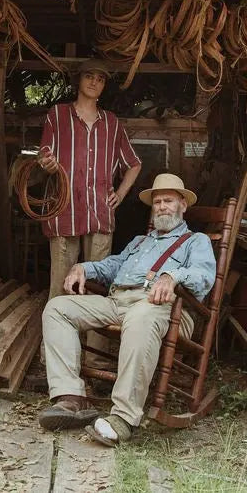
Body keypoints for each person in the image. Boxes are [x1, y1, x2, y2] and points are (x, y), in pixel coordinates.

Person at [36, 173, 216, 446]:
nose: (162, 207)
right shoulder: (139, 242)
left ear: (183, 205)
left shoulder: (196, 241)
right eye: (157, 202)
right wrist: (84, 267)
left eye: (168, 201)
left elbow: (204, 277)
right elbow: (112, 266)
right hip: (117, 301)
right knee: (57, 308)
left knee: (142, 316)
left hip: (164, 308)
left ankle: (123, 417)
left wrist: (173, 276)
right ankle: (71, 397)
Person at [37, 59, 142, 301]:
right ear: (79, 80)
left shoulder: (112, 122)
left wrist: (121, 194)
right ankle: (57, 337)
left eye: (101, 79)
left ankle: (94, 340)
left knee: (95, 288)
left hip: (100, 212)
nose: (94, 82)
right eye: (89, 76)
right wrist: (48, 163)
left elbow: (134, 163)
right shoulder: (58, 114)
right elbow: (43, 155)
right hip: (65, 210)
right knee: (62, 286)